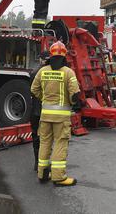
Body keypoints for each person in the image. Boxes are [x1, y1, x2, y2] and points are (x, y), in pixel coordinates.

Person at [30, 41, 82, 186]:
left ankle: (42, 174)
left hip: (45, 115)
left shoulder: (42, 71)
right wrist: (72, 103)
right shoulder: (68, 72)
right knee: (60, 143)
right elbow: (74, 95)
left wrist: (44, 99)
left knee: (45, 143)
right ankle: (58, 177)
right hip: (61, 117)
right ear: (65, 55)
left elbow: (34, 90)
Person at [30, 50, 50, 171]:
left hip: (36, 111)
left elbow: (32, 90)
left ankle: (37, 163)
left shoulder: (35, 73)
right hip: (47, 111)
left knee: (36, 137)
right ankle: (45, 164)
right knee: (47, 138)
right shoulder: (55, 72)